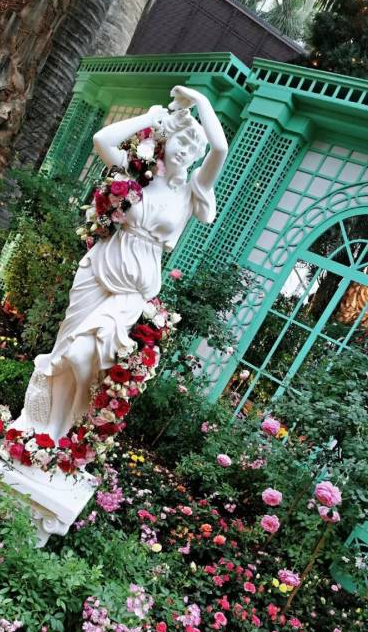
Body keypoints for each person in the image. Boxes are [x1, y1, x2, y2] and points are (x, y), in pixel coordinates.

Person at [12, 84, 229, 442]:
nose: (186, 151)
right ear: (166, 141)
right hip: (98, 271)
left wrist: (201, 100)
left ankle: (69, 427)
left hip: (133, 289)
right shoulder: (139, 174)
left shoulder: (193, 191)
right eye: (181, 142)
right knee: (65, 352)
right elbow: (102, 139)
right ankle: (47, 431)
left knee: (83, 355)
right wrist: (150, 117)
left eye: (193, 148)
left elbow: (220, 149)